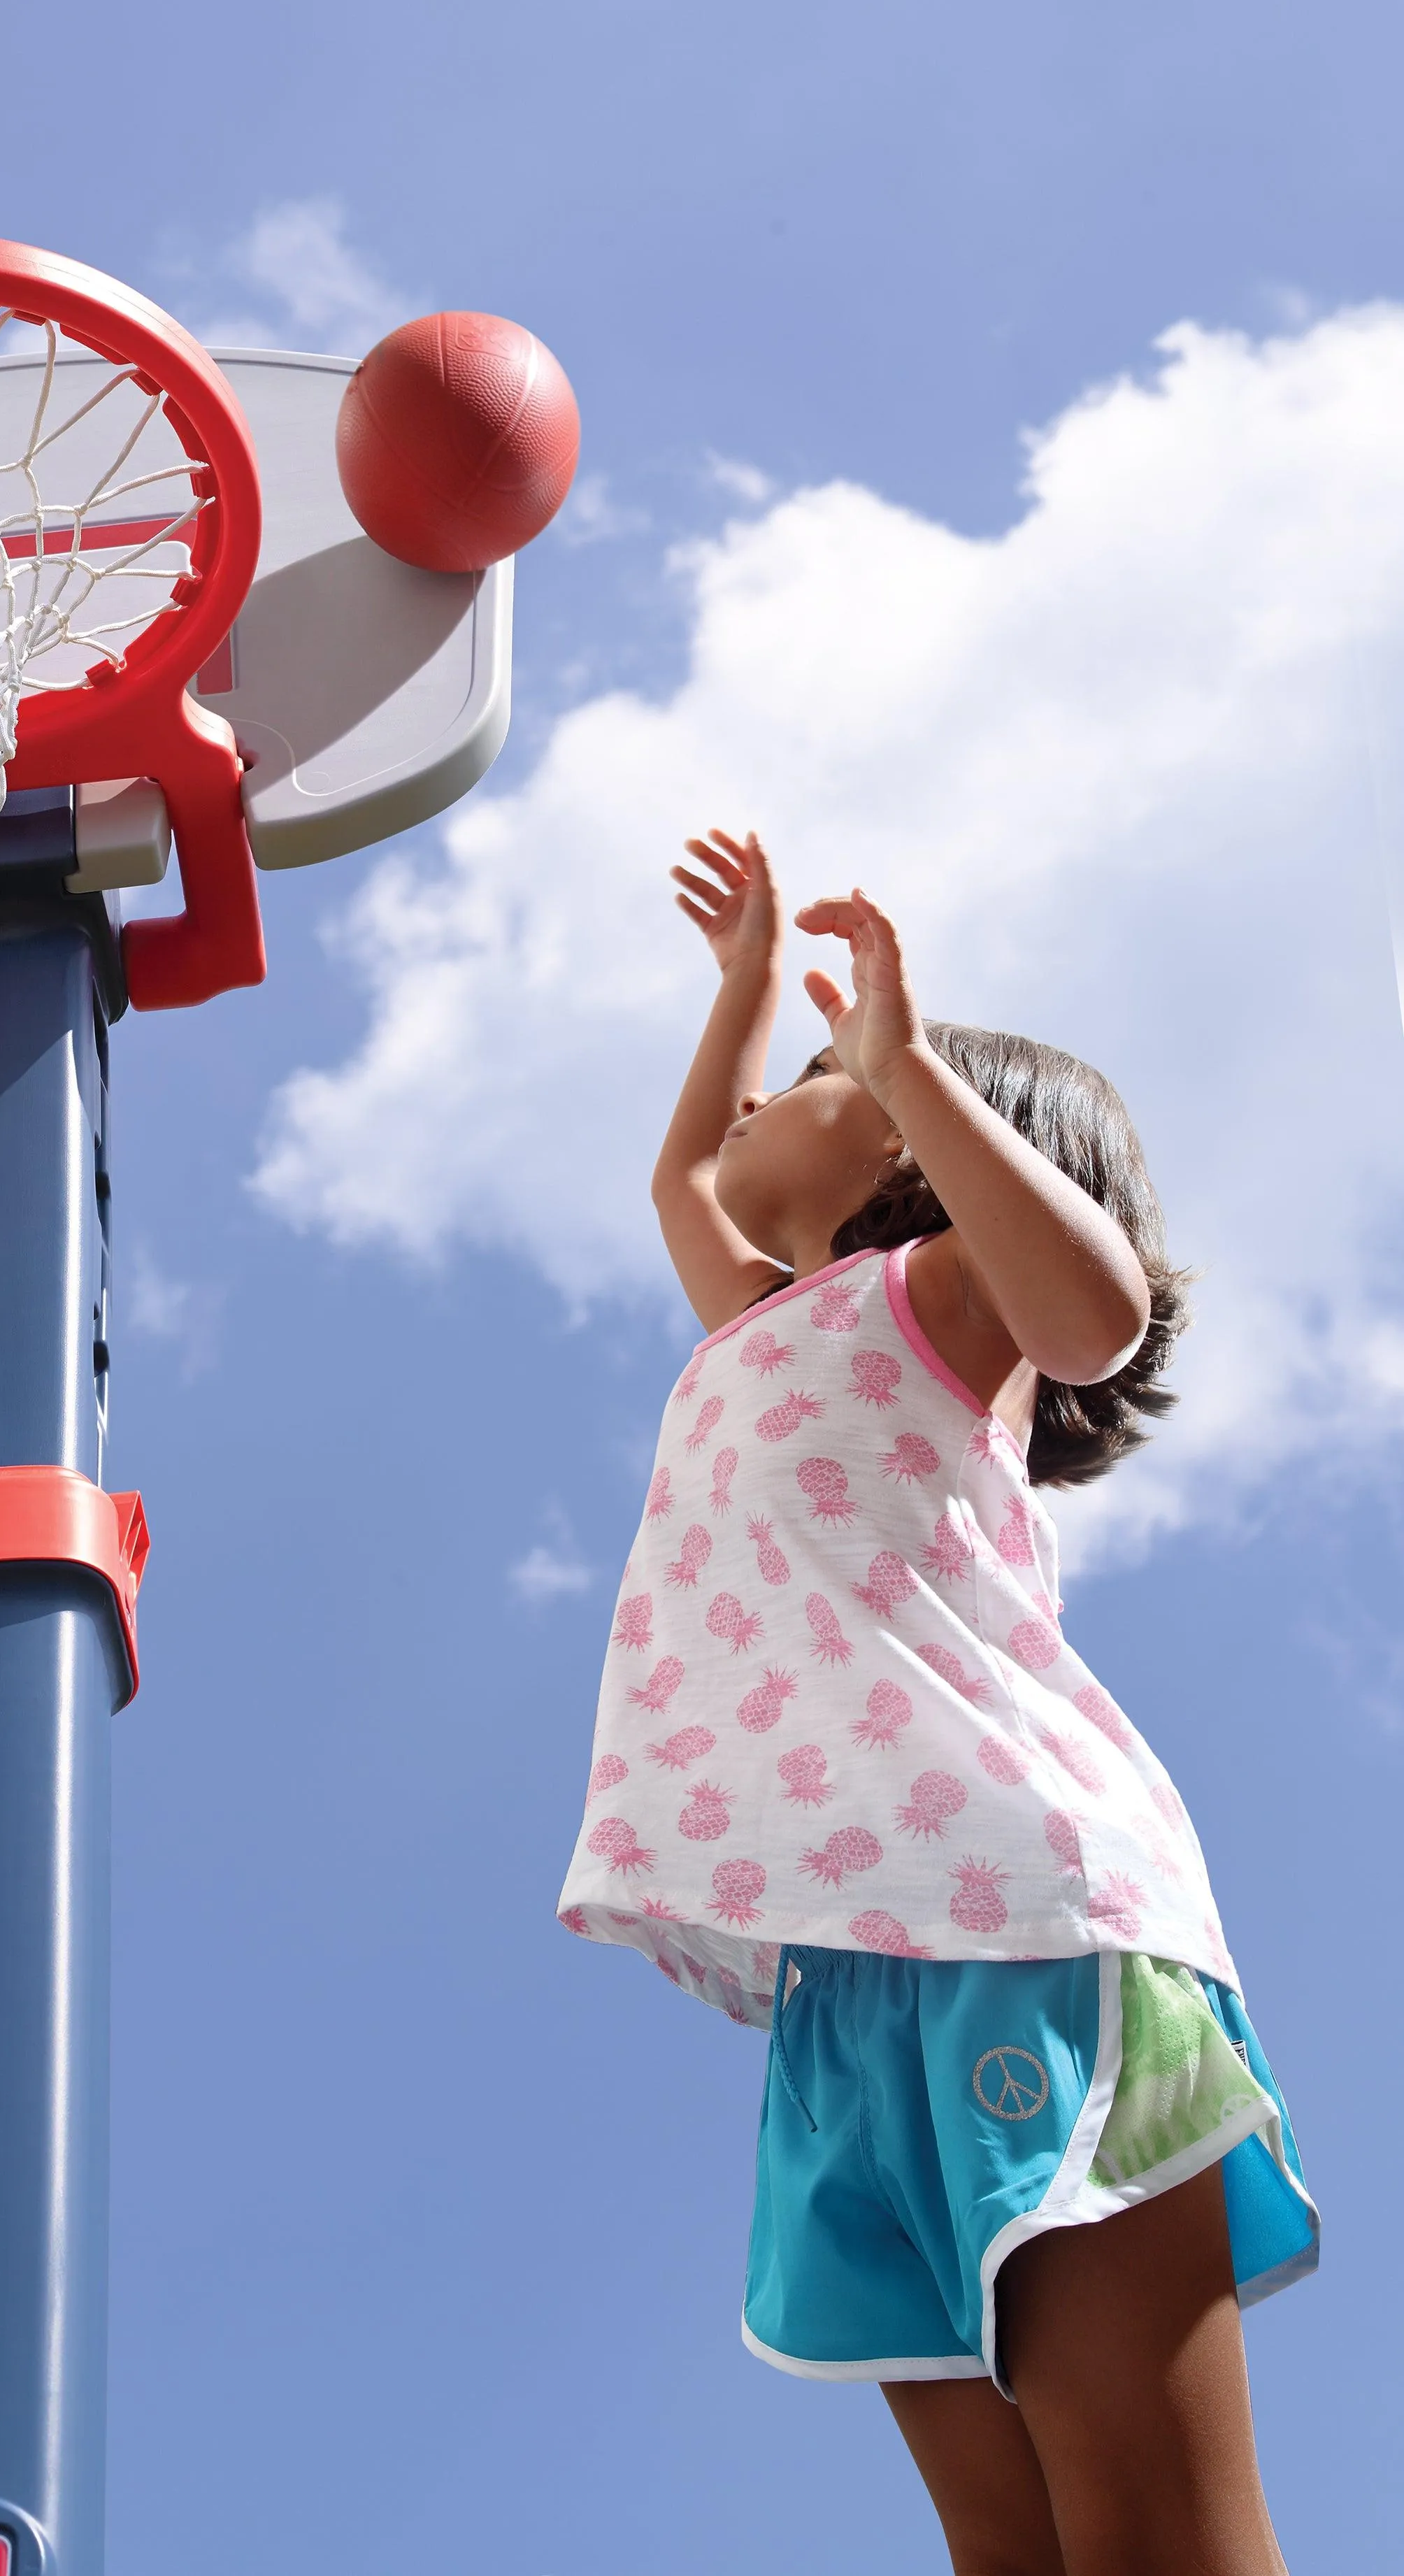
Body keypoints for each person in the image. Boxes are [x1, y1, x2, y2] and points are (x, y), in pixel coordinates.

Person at [557, 829, 1317, 2576]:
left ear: (909, 1138)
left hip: (1025, 1917)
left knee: (1151, 2534)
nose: (759, 1107)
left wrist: (895, 1052)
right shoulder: (760, 1316)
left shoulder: (943, 1297)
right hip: (853, 1969)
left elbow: (1097, 1313)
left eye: (809, 1077)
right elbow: (688, 1174)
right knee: (1014, 2549)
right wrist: (746, 984)